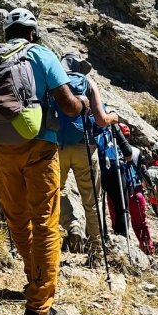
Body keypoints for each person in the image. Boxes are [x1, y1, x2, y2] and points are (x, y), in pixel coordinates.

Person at [0, 10, 88, 315]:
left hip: (1, 150)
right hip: (40, 147)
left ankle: (34, 275)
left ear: (7, 34)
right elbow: (68, 105)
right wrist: (83, 103)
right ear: (32, 33)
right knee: (46, 223)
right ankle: (39, 308)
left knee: (17, 219)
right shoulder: (41, 54)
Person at [54, 52, 117, 259]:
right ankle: (97, 251)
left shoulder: (55, 80)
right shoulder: (88, 83)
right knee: (91, 201)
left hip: (58, 146)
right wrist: (113, 117)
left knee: (55, 192)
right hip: (85, 147)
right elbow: (100, 120)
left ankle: (71, 225)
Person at [107, 123, 154, 256]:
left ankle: (121, 249)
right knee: (141, 223)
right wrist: (150, 186)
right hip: (135, 191)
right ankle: (147, 250)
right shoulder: (136, 151)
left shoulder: (108, 149)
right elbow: (143, 171)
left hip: (115, 192)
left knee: (117, 220)